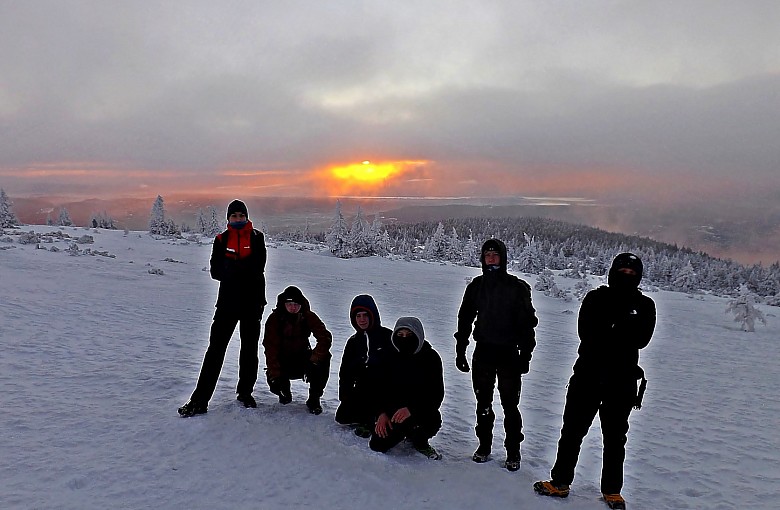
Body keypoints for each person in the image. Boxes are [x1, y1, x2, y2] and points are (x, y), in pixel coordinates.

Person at [534, 252, 656, 510]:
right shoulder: (596, 298)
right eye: (622, 271)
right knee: (572, 432)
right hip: (587, 376)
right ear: (613, 272)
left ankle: (612, 490)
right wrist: (621, 329)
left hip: (621, 382)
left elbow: (641, 339)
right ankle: (560, 482)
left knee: (615, 438)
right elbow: (586, 333)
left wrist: (612, 328)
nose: (627, 276)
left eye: (632, 273)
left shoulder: (645, 306)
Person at [454, 238, 538, 471]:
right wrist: (461, 348)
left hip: (509, 354)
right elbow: (465, 318)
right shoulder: (476, 286)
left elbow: (526, 324)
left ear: (503, 258)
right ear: (482, 259)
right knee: (483, 403)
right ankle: (484, 446)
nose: (491, 259)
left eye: (495, 255)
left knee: (510, 406)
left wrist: (526, 354)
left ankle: (513, 451)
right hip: (484, 353)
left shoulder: (516, 287)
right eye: (487, 256)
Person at [178, 199, 267, 417]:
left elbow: (258, 267)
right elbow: (215, 272)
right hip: (227, 304)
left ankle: (245, 393)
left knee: (249, 351)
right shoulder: (221, 240)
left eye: (241, 215)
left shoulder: (257, 237)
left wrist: (232, 268)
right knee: (215, 351)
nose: (238, 219)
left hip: (252, 304)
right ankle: (199, 400)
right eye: (234, 216)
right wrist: (239, 269)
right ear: (228, 218)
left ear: (246, 217)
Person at [368, 317, 444, 460]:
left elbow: (436, 394)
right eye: (400, 335)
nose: (404, 339)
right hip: (393, 413)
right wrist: (381, 413)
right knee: (377, 445)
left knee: (428, 423)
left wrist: (412, 409)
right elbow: (377, 388)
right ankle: (397, 431)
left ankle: (419, 440)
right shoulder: (388, 355)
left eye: (409, 335)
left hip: (419, 412)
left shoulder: (431, 358)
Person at [262, 286, 332, 415]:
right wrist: (275, 373)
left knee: (325, 357)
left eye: (296, 304)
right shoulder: (275, 319)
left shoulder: (308, 316)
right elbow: (270, 347)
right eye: (289, 304)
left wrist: (315, 357)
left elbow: (325, 337)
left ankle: (314, 398)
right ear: (284, 304)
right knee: (277, 387)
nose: (293, 307)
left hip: (303, 359)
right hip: (282, 361)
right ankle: (284, 390)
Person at [335, 294, 392, 438]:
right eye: (358, 316)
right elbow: (345, 372)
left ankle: (376, 418)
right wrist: (345, 395)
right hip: (363, 389)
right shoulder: (353, 342)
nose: (362, 319)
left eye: (365, 315)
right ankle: (368, 416)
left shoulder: (387, 337)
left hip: (384, 390)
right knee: (342, 417)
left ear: (373, 315)